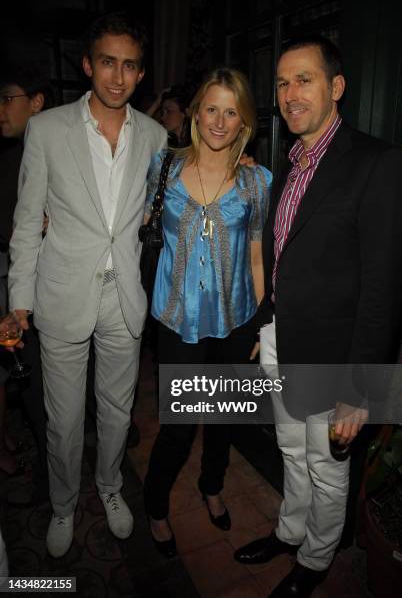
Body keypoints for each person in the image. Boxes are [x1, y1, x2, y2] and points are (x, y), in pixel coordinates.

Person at [234, 35, 402, 597]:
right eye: (282, 82)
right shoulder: (292, 160)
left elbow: (385, 288)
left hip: (337, 356)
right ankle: (289, 533)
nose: (290, 93)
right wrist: (268, 324)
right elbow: (285, 253)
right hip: (284, 338)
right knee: (290, 450)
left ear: (336, 87)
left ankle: (314, 560)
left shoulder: (377, 163)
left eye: (304, 79)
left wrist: (361, 388)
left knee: (326, 467)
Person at [8, 12, 167, 558]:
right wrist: (19, 302)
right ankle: (62, 505)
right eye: (107, 62)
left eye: (129, 66)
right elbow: (27, 221)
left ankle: (111, 488)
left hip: (124, 295)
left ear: (140, 73)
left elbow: (149, 213)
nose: (117, 77)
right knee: (64, 417)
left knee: (118, 410)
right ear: (87, 65)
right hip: (62, 294)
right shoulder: (47, 129)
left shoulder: (156, 137)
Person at [143, 68, 272, 557]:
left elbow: (258, 253)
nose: (220, 120)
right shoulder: (163, 169)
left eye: (231, 111)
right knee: (178, 427)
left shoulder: (258, 180)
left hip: (236, 319)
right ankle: (155, 506)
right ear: (196, 112)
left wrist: (262, 319)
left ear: (244, 122)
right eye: (211, 108)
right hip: (177, 320)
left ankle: (212, 486)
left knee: (223, 418)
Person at [0, 68, 53, 493]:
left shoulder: (43, 153)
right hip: (27, 290)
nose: (1, 110)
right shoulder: (11, 157)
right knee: (37, 387)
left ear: (36, 102)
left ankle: (55, 476)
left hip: (52, 289)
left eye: (7, 98)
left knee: (42, 388)